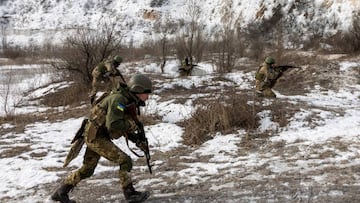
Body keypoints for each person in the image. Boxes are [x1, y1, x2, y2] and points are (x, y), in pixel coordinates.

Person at [51, 74, 153, 203]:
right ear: (138, 90)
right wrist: (131, 125)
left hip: (96, 134)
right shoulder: (119, 100)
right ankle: (130, 194)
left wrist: (137, 139)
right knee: (125, 161)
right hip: (96, 136)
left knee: (87, 170)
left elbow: (120, 124)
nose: (148, 96)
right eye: (146, 93)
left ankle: (61, 192)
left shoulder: (127, 100)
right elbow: (114, 124)